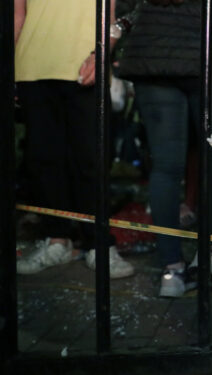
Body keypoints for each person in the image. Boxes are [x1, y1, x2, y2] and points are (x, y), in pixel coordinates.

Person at [116, 0, 212, 297]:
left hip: (153, 57)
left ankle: (172, 270)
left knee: (165, 168)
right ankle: (211, 260)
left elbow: (125, 8)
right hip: (210, 58)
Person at [14, 0, 134, 278]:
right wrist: (10, 68)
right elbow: (17, 13)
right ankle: (57, 240)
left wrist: (103, 51)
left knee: (91, 159)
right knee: (43, 160)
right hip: (31, 65)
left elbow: (114, 11)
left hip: (85, 62)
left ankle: (99, 244)